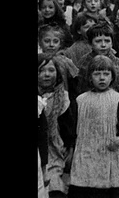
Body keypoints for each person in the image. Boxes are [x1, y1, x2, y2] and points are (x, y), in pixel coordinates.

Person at [68, 55, 119, 198]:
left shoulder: (118, 99)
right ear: (90, 77)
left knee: (112, 188)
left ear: (112, 77)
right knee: (85, 187)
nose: (102, 78)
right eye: (97, 74)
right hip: (87, 151)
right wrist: (71, 149)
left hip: (111, 152)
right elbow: (73, 127)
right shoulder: (81, 100)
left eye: (106, 74)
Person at [38, 53, 77, 198]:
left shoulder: (62, 98)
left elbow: (68, 127)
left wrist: (70, 147)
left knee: (54, 187)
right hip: (38, 150)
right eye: (41, 71)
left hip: (54, 150)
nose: (46, 74)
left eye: (51, 70)